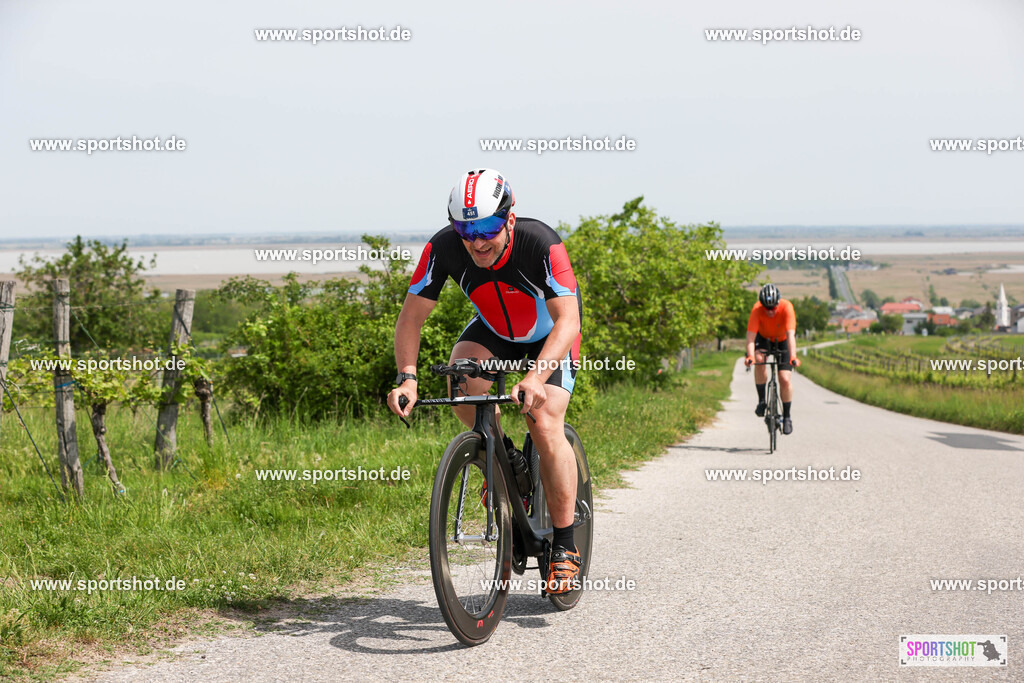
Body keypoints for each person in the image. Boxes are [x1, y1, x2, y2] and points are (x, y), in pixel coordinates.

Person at [387, 168, 584, 594]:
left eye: (488, 227)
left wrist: (535, 376)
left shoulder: (541, 242)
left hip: (549, 336)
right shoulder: (442, 248)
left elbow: (568, 321)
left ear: (510, 219)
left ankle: (565, 547)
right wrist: (407, 379)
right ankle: (506, 459)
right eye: (465, 228)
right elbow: (411, 318)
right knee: (459, 382)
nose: (477, 241)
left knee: (545, 419)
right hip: (494, 331)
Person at [744, 284, 801, 434]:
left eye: (773, 308)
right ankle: (762, 401)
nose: (770, 312)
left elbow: (790, 336)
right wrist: (750, 356)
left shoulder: (787, 307)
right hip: (763, 339)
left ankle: (787, 417)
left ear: (778, 303)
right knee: (759, 359)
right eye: (766, 308)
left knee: (785, 379)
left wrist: (793, 357)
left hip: (782, 341)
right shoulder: (757, 309)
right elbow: (750, 337)